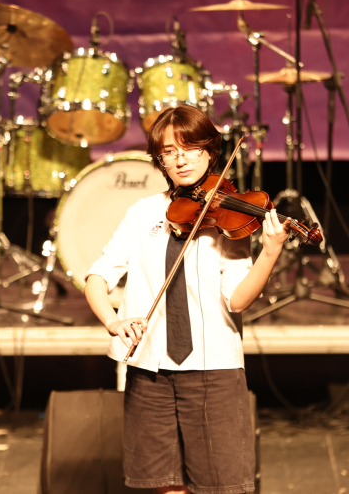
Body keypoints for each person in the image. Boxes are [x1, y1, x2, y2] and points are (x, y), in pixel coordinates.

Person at [84, 104, 291, 494]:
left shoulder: (228, 218)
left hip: (214, 370)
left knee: (224, 486)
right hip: (149, 369)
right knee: (163, 486)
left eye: (191, 149)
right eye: (169, 152)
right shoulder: (142, 213)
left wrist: (270, 252)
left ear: (210, 152)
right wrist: (113, 321)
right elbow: (97, 277)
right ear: (159, 160)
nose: (181, 160)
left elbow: (239, 300)